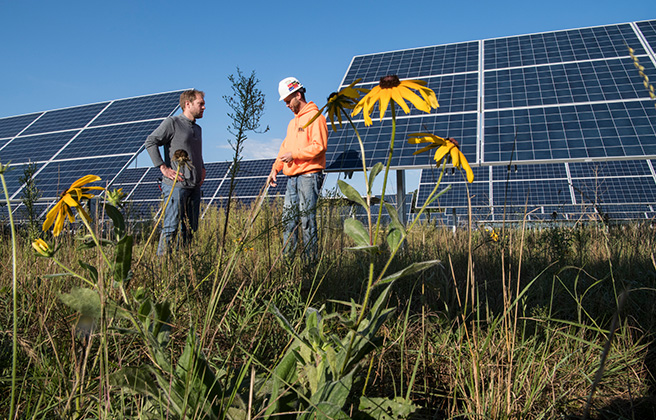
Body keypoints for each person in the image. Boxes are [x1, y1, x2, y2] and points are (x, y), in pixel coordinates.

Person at [267, 77, 328, 260]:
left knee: (307, 222)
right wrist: (275, 169)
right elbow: (284, 149)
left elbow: (319, 146)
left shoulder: (315, 117)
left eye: (287, 101)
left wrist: (295, 155)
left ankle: (311, 265)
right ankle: (289, 265)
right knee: (288, 222)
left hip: (309, 176)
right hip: (292, 179)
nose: (286, 105)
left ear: (298, 95)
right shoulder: (292, 124)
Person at [145, 89, 206, 255]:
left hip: (194, 186)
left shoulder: (198, 129)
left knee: (190, 229)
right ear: (188, 104)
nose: (204, 107)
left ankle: (182, 265)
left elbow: (196, 152)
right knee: (171, 228)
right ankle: (162, 266)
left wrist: (203, 168)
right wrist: (163, 167)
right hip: (176, 186)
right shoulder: (172, 123)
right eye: (200, 103)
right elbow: (150, 142)